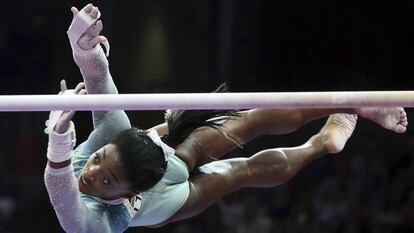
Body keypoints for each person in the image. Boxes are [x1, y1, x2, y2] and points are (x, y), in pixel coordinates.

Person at [44, 4, 408, 233]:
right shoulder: (95, 222)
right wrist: (59, 141)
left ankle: (350, 108)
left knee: (247, 127)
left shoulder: (114, 136)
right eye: (106, 180)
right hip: (172, 198)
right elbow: (63, 199)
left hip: (159, 160)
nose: (90, 173)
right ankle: (322, 141)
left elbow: (98, 82)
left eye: (95, 162)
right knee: (242, 170)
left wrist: (85, 49)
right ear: (129, 194)